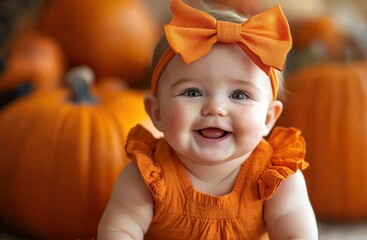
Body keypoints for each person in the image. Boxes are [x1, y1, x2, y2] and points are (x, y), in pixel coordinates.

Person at [97, 0, 318, 239]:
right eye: (193, 93)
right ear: (157, 112)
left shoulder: (277, 180)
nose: (215, 108)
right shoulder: (147, 177)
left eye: (239, 95)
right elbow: (120, 229)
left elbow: (296, 234)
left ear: (268, 118)